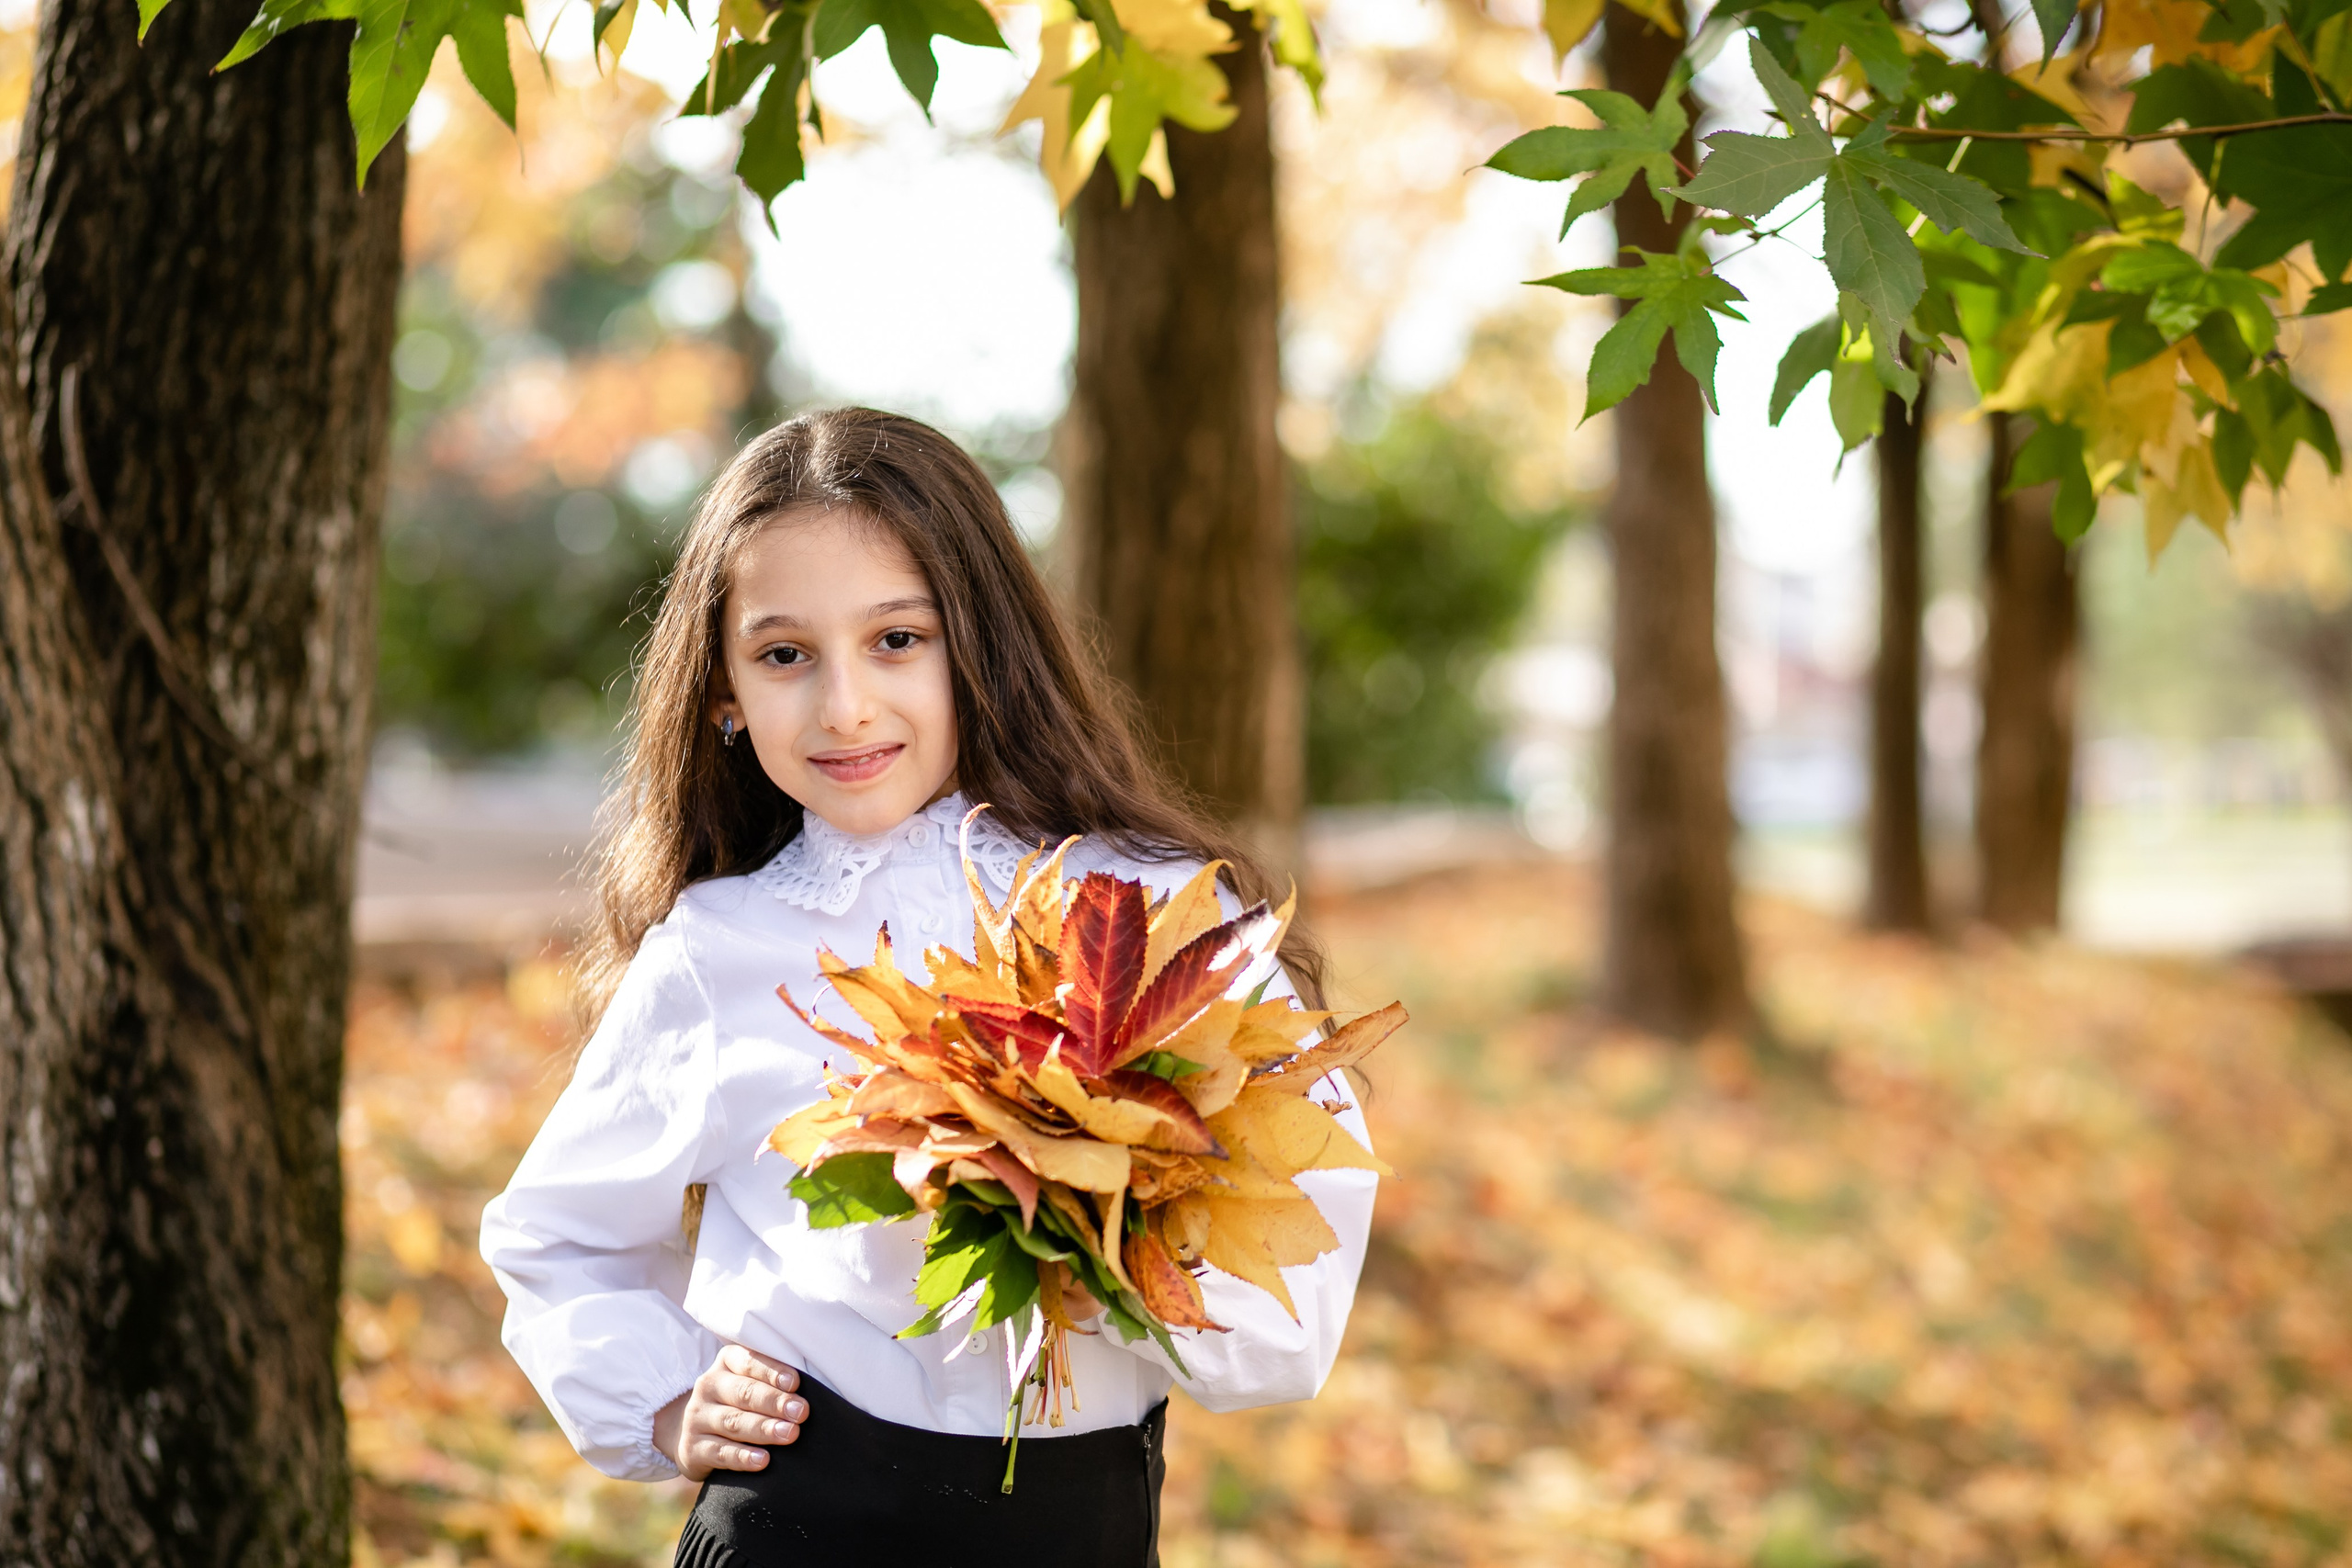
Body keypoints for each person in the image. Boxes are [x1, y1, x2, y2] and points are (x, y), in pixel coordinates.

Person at [479, 408, 1376, 1568]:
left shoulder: (1156, 914)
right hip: (796, 1532)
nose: (844, 706)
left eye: (897, 639)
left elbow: (1298, 1262)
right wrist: (660, 1402)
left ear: (982, 645)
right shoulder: (721, 948)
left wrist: (1105, 1250)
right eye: (784, 655)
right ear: (723, 693)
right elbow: (558, 1234)